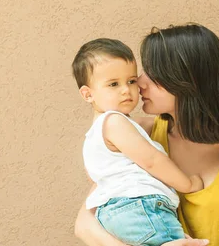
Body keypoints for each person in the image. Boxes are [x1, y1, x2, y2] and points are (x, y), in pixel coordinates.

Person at [74, 24, 219, 246]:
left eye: (152, 73)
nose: (139, 82)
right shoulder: (139, 134)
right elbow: (85, 224)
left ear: (187, 81)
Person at [71, 38, 204, 246]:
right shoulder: (115, 122)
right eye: (114, 84)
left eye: (131, 81)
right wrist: (187, 184)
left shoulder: (93, 137)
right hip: (140, 207)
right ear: (88, 94)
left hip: (112, 216)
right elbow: (152, 161)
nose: (126, 90)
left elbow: (94, 178)